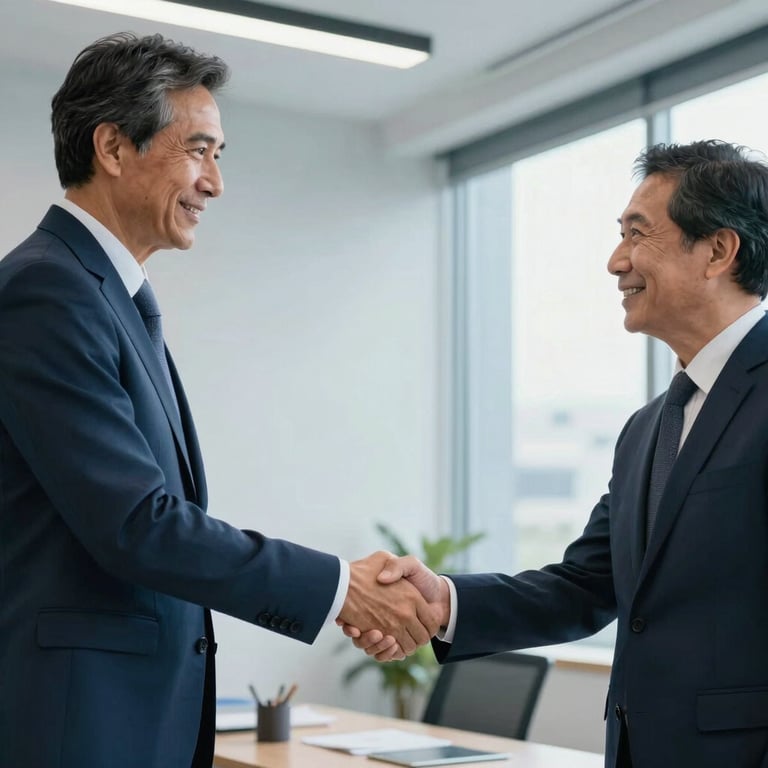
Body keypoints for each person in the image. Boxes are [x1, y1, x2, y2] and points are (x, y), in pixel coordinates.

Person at [0, 32, 439, 768]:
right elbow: (137, 524)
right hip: (80, 726)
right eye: (199, 150)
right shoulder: (49, 291)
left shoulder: (105, 295)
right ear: (113, 147)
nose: (215, 183)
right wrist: (338, 588)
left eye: (219, 156)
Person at [346, 140, 768, 768]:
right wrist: (442, 601)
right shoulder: (647, 428)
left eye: (637, 233)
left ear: (718, 250)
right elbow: (587, 587)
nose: (614, 261)